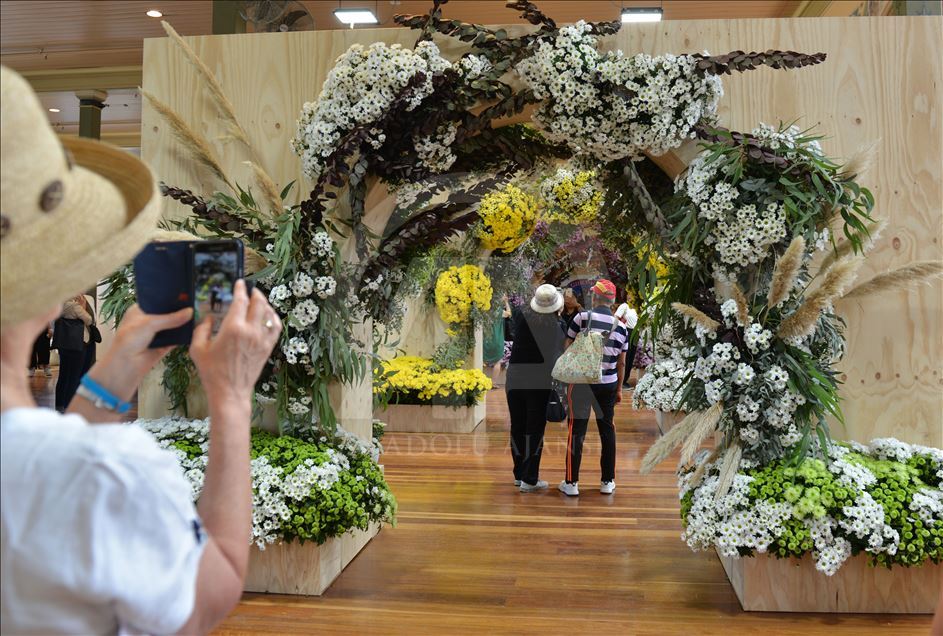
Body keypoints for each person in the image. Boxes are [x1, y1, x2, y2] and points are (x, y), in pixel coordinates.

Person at [0, 66, 283, 634]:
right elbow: (209, 594)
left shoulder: (65, 466)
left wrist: (114, 372)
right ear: (47, 281)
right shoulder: (103, 475)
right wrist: (230, 400)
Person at [559, 279, 630, 497]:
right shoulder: (622, 328)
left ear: (595, 297)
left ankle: (571, 483)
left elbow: (567, 347)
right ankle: (607, 481)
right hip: (607, 385)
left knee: (576, 431)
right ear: (612, 301)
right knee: (607, 431)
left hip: (580, 383)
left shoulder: (581, 318)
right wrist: (619, 389)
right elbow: (622, 362)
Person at [506, 284, 564, 492]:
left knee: (517, 426)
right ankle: (529, 479)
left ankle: (519, 473)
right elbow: (556, 354)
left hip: (514, 377)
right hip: (538, 380)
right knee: (534, 428)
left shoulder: (521, 314)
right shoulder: (556, 325)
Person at [52, 294, 92, 411]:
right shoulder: (74, 306)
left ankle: (59, 405)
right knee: (74, 377)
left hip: (64, 344)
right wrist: (83, 306)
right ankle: (70, 406)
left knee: (63, 376)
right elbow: (89, 320)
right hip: (77, 345)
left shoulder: (59, 305)